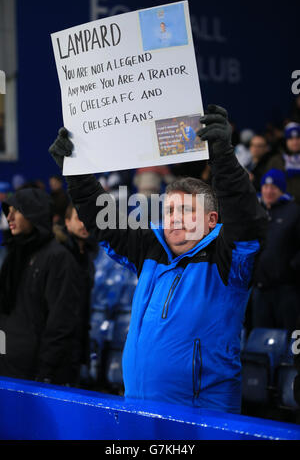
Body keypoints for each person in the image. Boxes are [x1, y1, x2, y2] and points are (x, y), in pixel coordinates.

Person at [49, 104, 267, 414]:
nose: (175, 219)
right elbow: (104, 222)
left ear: (211, 220)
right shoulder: (151, 249)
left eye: (187, 211)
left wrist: (222, 156)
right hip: (138, 411)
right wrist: (76, 173)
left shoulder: (227, 259)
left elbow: (246, 220)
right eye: (169, 211)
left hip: (200, 419)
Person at [0, 187, 82, 384]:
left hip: (36, 375)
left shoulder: (58, 259)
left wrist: (45, 371)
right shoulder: (13, 255)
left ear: (33, 214)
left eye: (16, 210)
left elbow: (61, 322)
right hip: (7, 367)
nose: (9, 216)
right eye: (7, 210)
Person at [251, 169, 300, 333]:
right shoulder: (256, 211)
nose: (268, 191)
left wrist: (291, 269)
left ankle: (290, 359)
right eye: (265, 186)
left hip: (286, 290)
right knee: (260, 337)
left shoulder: (294, 211)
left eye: (274, 187)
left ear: (281, 190)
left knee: (288, 337)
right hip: (259, 289)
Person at [54, 203, 98, 384]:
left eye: (88, 219)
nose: (84, 224)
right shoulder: (58, 254)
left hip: (78, 340)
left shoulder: (88, 255)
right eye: (79, 218)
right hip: (58, 343)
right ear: (67, 221)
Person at [266, 122, 300, 203]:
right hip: (282, 207)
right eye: (291, 139)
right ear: (285, 141)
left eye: (298, 138)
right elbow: (267, 184)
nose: (295, 142)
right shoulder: (276, 161)